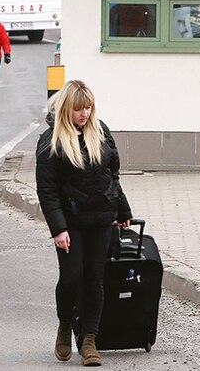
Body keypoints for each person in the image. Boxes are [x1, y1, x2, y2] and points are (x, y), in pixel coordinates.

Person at [35, 80, 132, 366]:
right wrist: (58, 229)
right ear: (67, 109)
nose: (85, 114)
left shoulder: (100, 132)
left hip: (102, 218)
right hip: (71, 222)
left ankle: (89, 340)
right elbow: (47, 189)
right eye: (79, 109)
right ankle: (65, 325)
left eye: (88, 108)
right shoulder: (51, 140)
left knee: (95, 280)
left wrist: (122, 210)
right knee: (71, 278)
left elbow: (112, 175)